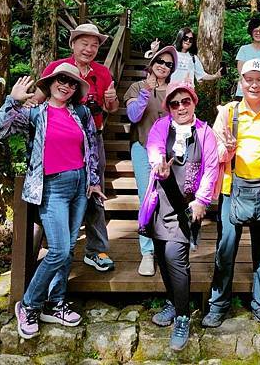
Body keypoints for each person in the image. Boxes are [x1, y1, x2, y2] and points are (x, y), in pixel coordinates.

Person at [0, 64, 104, 340]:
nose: (66, 86)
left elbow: (90, 145)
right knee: (59, 250)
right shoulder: (34, 114)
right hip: (52, 187)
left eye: (72, 83)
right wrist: (12, 100)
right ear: (51, 82)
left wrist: (93, 180)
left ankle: (56, 302)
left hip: (78, 186)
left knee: (68, 250)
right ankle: (28, 304)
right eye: (61, 80)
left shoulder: (81, 112)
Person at [202, 59, 260, 331]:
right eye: (248, 79)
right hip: (233, 189)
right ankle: (218, 305)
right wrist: (227, 149)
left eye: (259, 79)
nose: (253, 84)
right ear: (241, 82)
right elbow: (215, 153)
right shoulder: (228, 113)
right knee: (225, 248)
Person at [138, 81, 219, 351]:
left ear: (194, 102)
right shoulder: (162, 126)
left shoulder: (205, 132)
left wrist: (202, 200)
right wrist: (158, 165)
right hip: (161, 203)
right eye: (175, 103)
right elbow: (154, 148)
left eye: (186, 101)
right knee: (162, 256)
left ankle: (183, 316)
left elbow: (211, 167)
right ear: (168, 107)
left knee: (176, 258)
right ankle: (173, 302)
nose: (181, 107)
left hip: (187, 207)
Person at [34, 23, 119, 272]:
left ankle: (95, 250)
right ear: (73, 44)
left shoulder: (103, 73)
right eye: (84, 43)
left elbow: (111, 109)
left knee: (95, 196)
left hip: (93, 142)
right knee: (54, 196)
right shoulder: (57, 69)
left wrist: (111, 102)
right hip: (58, 145)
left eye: (94, 45)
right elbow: (38, 102)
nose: (89, 48)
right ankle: (57, 250)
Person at [123, 45, 178, 276]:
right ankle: (147, 252)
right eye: (160, 61)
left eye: (169, 64)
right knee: (147, 197)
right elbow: (133, 115)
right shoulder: (136, 87)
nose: (164, 66)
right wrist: (146, 91)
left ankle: (169, 246)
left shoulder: (175, 90)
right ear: (152, 61)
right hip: (142, 148)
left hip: (170, 152)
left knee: (170, 199)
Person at [145, 27, 221, 84]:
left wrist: (215, 76)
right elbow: (157, 63)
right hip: (170, 91)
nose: (188, 41)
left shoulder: (193, 58)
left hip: (187, 94)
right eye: (185, 38)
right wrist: (154, 51)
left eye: (191, 39)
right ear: (180, 37)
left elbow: (202, 75)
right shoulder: (171, 53)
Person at [235, 17, 260, 99]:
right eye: (255, 31)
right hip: (244, 91)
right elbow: (241, 71)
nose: (258, 33)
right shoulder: (244, 49)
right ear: (251, 33)